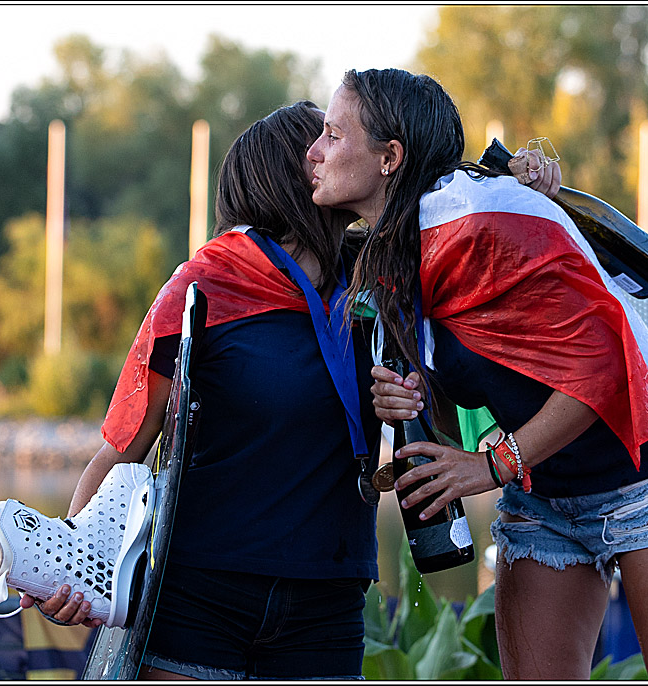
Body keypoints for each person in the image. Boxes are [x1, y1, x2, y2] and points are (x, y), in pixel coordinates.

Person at [305, 68, 648, 680]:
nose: (314, 152)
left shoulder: (481, 221)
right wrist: (417, 397)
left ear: (390, 158)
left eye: (332, 134)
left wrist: (491, 466)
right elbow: (464, 406)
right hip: (543, 488)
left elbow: (604, 367)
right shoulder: (395, 254)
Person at [22, 100, 383, 680]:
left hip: (329, 600)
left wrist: (527, 180)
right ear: (293, 176)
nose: (335, 152)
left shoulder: (379, 282)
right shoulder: (204, 286)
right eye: (325, 140)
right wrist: (72, 565)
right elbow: (121, 450)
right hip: (198, 597)